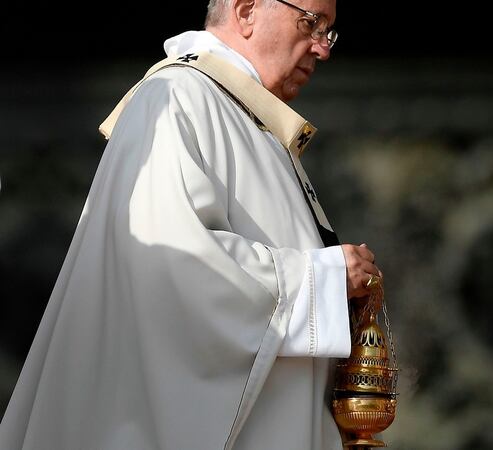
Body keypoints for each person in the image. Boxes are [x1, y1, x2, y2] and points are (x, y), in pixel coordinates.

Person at [0, 0, 382, 448]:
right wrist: (323, 279)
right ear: (245, 11)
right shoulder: (175, 98)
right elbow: (170, 269)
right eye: (312, 22)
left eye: (329, 32)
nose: (323, 49)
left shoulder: (246, 117)